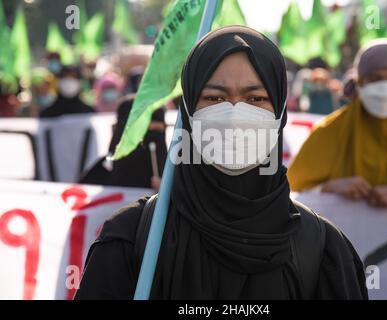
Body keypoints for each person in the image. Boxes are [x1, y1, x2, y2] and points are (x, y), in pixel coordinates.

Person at [75, 26, 367, 300]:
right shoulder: (131, 240)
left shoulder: (323, 250)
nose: (234, 115)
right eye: (214, 98)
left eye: (255, 98)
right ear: (188, 112)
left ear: (279, 112)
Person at [288, 39, 387, 206]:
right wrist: (328, 188)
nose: (384, 87)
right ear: (359, 82)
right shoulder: (328, 131)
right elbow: (292, 191)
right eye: (374, 78)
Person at [79, 95, 167, 190]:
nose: (153, 138)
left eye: (158, 130)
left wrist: (168, 193)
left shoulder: (174, 178)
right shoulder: (96, 179)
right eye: (143, 131)